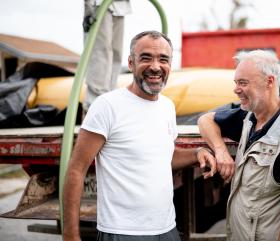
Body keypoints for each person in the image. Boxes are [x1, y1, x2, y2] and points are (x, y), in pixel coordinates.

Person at [63, 31, 217, 241]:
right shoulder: (107, 106)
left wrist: (198, 152)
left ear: (170, 65)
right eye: (146, 58)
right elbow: (76, 170)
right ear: (131, 63)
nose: (155, 66)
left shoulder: (167, 106)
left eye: (163, 59)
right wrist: (71, 236)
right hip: (122, 232)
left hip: (167, 229)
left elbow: (164, 158)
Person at [198, 50, 280, 241]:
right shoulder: (249, 118)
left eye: (243, 83)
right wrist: (221, 151)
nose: (236, 89)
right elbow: (205, 120)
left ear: (269, 82)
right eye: (236, 83)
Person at [82, 0, 132, 113]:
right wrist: (88, 10)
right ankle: (95, 103)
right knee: (100, 53)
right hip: (99, 4)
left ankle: (110, 99)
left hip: (120, 7)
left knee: (116, 54)